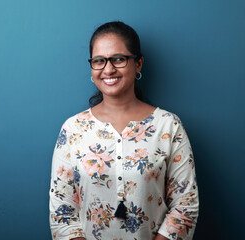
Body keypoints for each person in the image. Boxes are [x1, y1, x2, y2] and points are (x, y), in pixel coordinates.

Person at [49, 21, 199, 240]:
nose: (108, 69)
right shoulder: (73, 128)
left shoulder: (168, 125)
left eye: (118, 59)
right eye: (99, 61)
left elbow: (185, 207)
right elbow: (61, 210)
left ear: (138, 64)